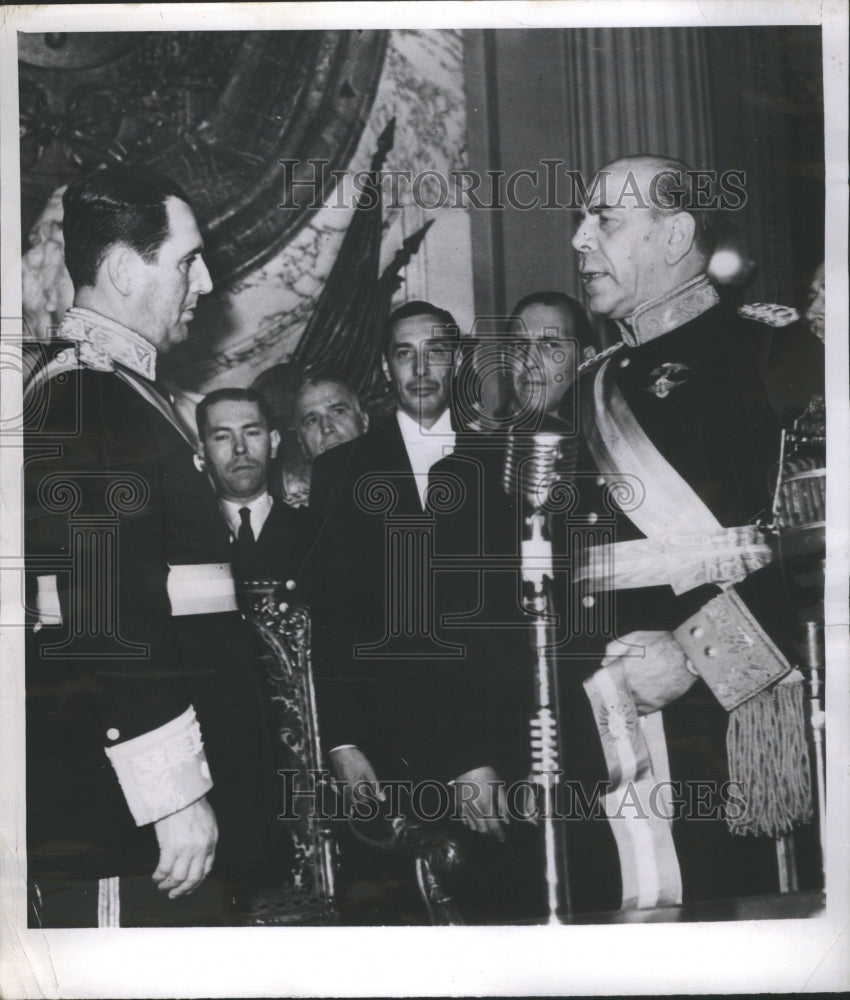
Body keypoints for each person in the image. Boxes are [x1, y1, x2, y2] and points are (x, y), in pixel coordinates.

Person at [24, 166, 284, 926]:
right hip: (128, 816)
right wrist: (171, 796)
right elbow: (107, 606)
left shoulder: (125, 391)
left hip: (163, 797)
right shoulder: (88, 395)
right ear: (121, 270)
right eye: (187, 260)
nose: (204, 282)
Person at [559, 154, 815, 913]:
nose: (579, 240)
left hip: (725, 709)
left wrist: (694, 657)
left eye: (604, 221)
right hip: (594, 710)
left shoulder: (776, 352)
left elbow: (819, 546)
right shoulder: (589, 385)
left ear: (675, 236)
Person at [196, 387, 300, 587]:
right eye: (222, 437)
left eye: (251, 432)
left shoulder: (314, 531)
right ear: (202, 451)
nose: (240, 448)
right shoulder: (185, 541)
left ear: (274, 443)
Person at [506, 291, 595, 422]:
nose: (529, 361)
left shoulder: (612, 438)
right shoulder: (494, 442)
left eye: (551, 345)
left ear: (588, 360)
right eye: (519, 345)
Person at [282, 375, 369, 508]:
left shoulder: (405, 476)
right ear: (302, 444)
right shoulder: (296, 518)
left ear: (364, 421)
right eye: (312, 421)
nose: (326, 428)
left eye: (338, 412)